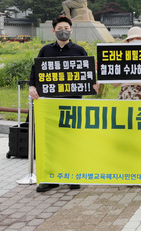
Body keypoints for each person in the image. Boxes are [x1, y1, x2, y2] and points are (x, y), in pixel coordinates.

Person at [29, 15, 85, 193]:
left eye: (66, 28)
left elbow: (87, 73)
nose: (63, 31)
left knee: (71, 140)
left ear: (71, 30)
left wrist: (94, 83)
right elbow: (35, 71)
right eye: (59, 28)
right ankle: (50, 178)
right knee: (51, 140)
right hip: (50, 104)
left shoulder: (79, 51)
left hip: (72, 103)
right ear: (53, 31)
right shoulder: (46, 50)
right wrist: (32, 86)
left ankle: (72, 175)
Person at [114, 27, 141, 100]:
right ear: (128, 41)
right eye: (132, 39)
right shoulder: (121, 57)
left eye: (138, 38)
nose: (135, 41)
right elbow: (115, 84)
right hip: (126, 95)